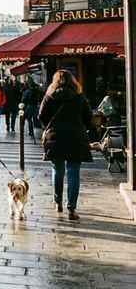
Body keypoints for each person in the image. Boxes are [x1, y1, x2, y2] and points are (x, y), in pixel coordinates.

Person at [39, 70, 97, 220]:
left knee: (57, 171)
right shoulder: (79, 97)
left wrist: (51, 127)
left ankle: (57, 202)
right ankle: (71, 208)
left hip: (55, 138)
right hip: (75, 138)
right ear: (73, 81)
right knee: (73, 172)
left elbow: (41, 116)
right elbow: (88, 118)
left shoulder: (49, 97)